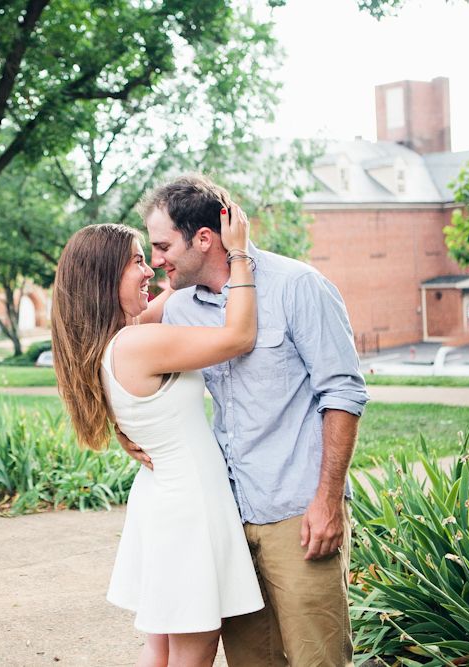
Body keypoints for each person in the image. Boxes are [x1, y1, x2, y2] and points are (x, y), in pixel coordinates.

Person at [118, 173, 370, 667]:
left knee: (317, 658)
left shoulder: (300, 286)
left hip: (297, 512)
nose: (159, 259)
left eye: (164, 246)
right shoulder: (180, 307)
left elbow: (343, 393)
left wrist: (327, 501)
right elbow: (106, 349)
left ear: (205, 238)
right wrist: (125, 426)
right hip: (228, 517)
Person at [50, 204, 264, 667]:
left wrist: (180, 263)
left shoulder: (113, 339)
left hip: (164, 496)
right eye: (136, 261)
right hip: (187, 504)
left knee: (163, 646)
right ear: (106, 278)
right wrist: (241, 254)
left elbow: (171, 288)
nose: (150, 267)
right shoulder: (137, 343)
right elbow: (239, 336)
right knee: (196, 642)